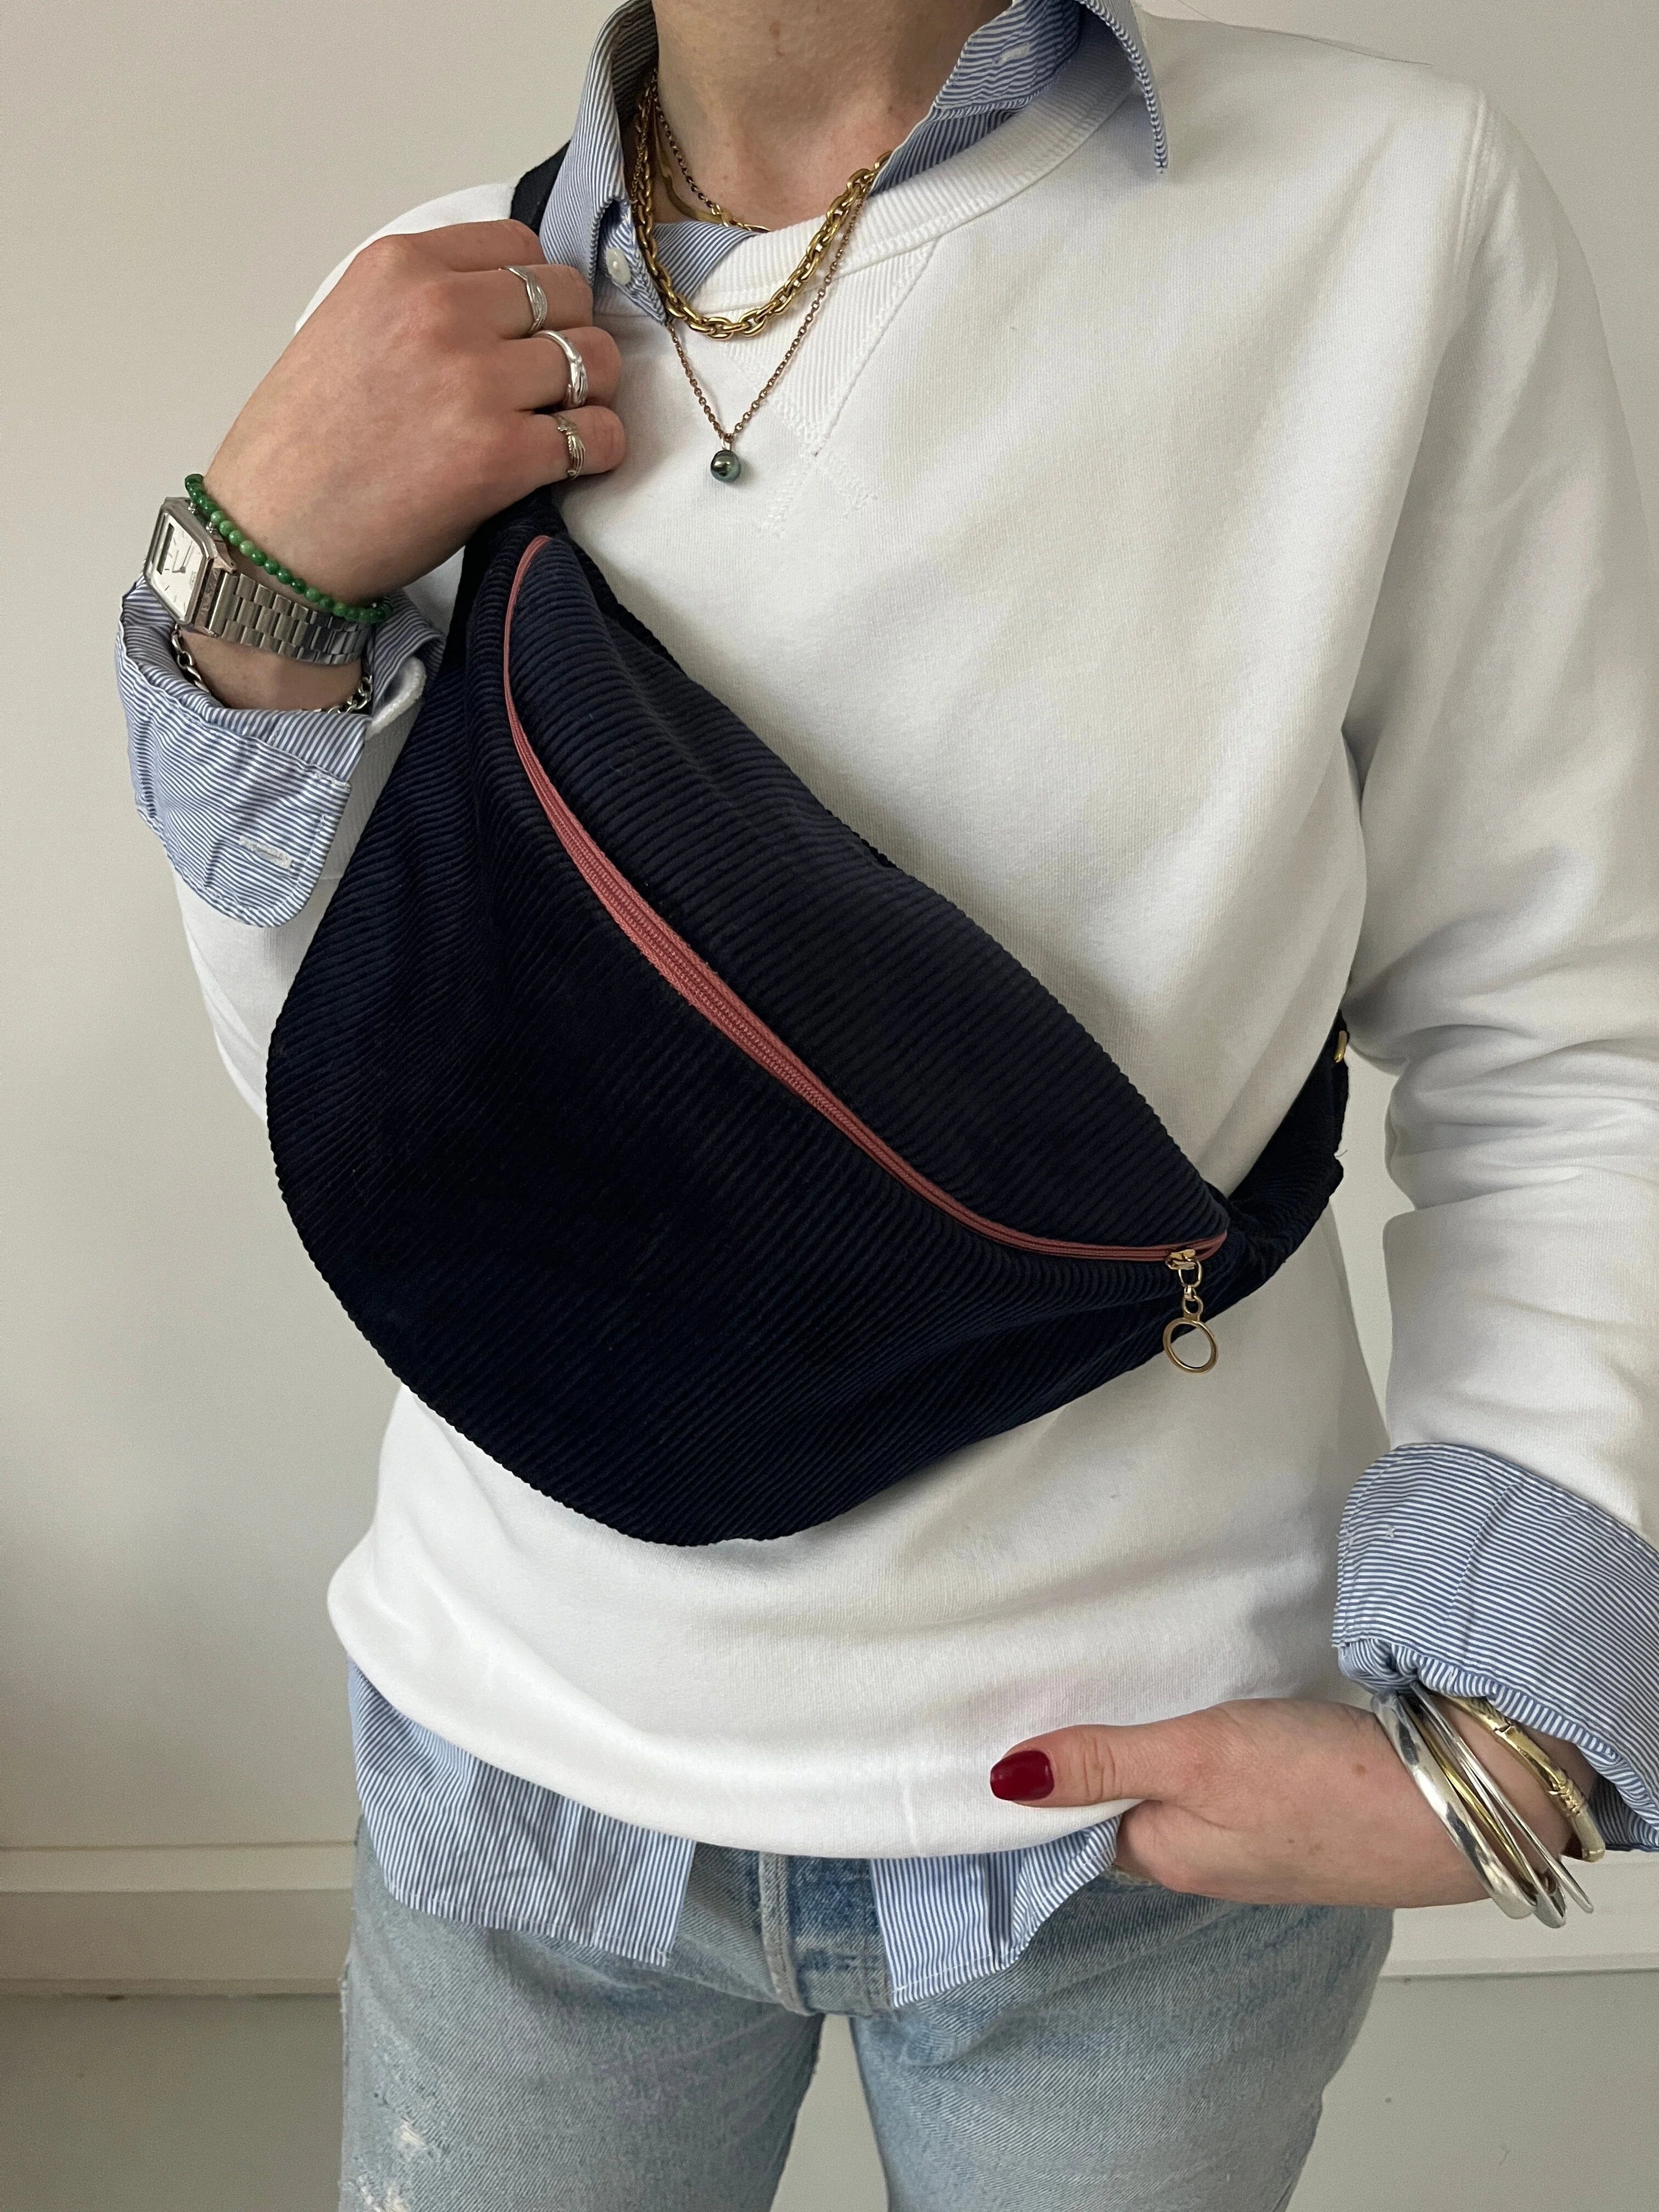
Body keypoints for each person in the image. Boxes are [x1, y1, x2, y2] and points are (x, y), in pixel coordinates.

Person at [118, 2, 1658, 2206]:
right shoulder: (433, 307)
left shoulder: (1386, 204)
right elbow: (373, 1104)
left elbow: (1563, 1013)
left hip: (1147, 1816)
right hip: (525, 1768)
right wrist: (248, 587)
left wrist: (1506, 1725)